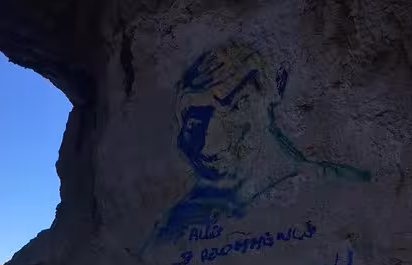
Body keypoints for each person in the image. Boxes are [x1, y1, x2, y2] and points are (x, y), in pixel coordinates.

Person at [149, 42, 370, 247]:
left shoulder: (340, 193)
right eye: (193, 121)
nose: (207, 144)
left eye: (236, 107)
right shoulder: (182, 222)